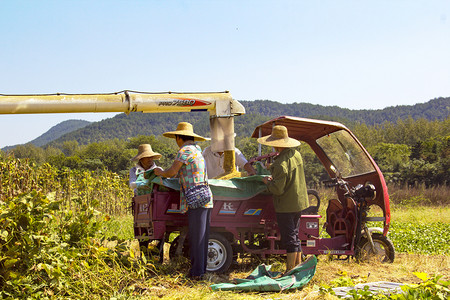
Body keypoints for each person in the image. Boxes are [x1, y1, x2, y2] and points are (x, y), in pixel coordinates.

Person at [153, 122, 212, 280]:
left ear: (179, 138)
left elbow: (172, 172)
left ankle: (197, 274)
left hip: (196, 198)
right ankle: (200, 271)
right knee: (202, 236)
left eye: (175, 138)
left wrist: (159, 172)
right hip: (205, 197)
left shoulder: (184, 150)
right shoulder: (197, 150)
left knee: (197, 236)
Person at [258, 125, 309, 273]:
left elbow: (277, 189)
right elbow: (286, 170)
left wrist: (267, 182)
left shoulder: (280, 163)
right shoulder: (295, 154)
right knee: (295, 235)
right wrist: (272, 168)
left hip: (286, 205)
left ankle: (290, 270)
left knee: (289, 239)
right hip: (298, 202)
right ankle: (299, 267)